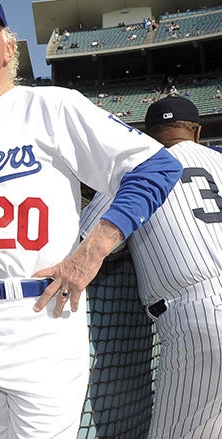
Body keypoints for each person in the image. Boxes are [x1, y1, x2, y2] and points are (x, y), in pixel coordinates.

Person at [0, 0, 183, 438]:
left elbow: (156, 165)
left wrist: (91, 253)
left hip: (38, 312)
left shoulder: (52, 105)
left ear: (8, 47)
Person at [80, 96, 222, 438]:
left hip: (199, 318)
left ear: (145, 134)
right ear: (198, 132)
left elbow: (82, 239)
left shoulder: (138, 166)